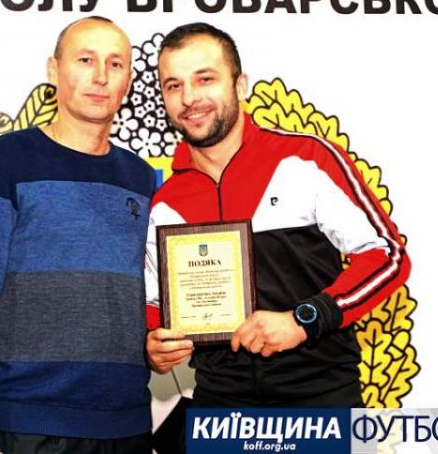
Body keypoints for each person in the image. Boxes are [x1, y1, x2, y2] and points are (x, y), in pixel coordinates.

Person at [145, 22, 411, 408]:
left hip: (320, 398)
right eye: (174, 85)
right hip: (219, 405)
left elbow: (387, 256)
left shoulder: (306, 159)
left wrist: (304, 320)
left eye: (205, 79)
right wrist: (154, 342)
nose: (189, 97)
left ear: (240, 85)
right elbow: (156, 303)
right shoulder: (166, 201)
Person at [0, 16, 157, 454]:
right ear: (54, 71)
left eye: (115, 64)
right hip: (28, 428)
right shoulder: (5, 160)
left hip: (128, 427)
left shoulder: (142, 177)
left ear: (128, 82)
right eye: (85, 60)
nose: (100, 76)